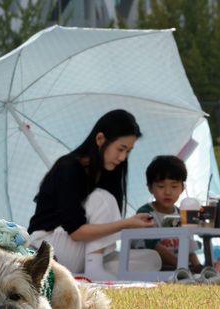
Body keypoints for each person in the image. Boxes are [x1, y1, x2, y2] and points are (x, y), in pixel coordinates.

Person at [28, 109, 161, 280]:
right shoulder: (68, 168)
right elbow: (76, 231)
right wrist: (125, 224)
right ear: (100, 139)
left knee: (151, 260)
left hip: (80, 252)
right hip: (50, 246)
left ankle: (91, 270)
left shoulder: (107, 171)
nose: (122, 157)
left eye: (128, 151)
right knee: (102, 198)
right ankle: (94, 271)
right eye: (120, 149)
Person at [136, 155, 203, 272]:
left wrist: (199, 268)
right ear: (150, 188)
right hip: (154, 269)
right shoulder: (145, 213)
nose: (167, 192)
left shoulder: (183, 214)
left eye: (174, 186)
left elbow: (189, 249)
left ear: (182, 188)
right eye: (161, 186)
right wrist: (184, 267)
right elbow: (153, 245)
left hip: (179, 268)